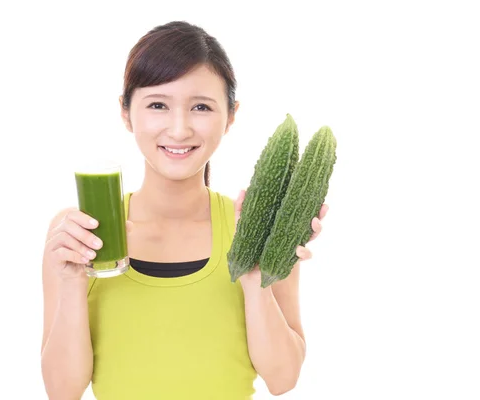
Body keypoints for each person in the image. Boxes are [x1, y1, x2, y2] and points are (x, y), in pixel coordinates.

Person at [40, 20, 329, 399]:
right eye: (158, 105)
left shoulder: (256, 229)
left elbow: (283, 378)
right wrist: (72, 283)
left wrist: (255, 277)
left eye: (201, 107)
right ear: (126, 113)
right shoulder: (79, 234)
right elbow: (63, 391)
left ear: (230, 116)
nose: (179, 130)